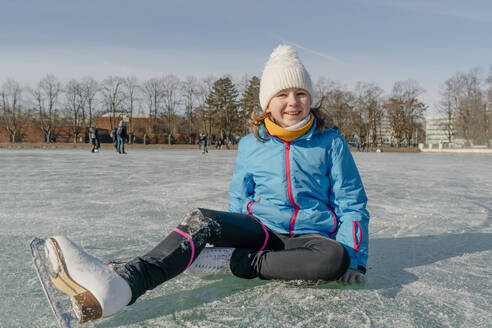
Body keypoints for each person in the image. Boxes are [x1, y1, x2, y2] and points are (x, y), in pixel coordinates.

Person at [44, 45, 369, 323]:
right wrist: (230, 233)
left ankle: (237, 262)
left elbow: (351, 203)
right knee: (203, 219)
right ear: (267, 103)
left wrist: (354, 260)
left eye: (301, 93)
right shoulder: (250, 145)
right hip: (262, 229)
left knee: (333, 258)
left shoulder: (330, 144)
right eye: (282, 94)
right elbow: (240, 200)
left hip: (307, 240)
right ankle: (126, 280)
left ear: (310, 98)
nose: (293, 102)